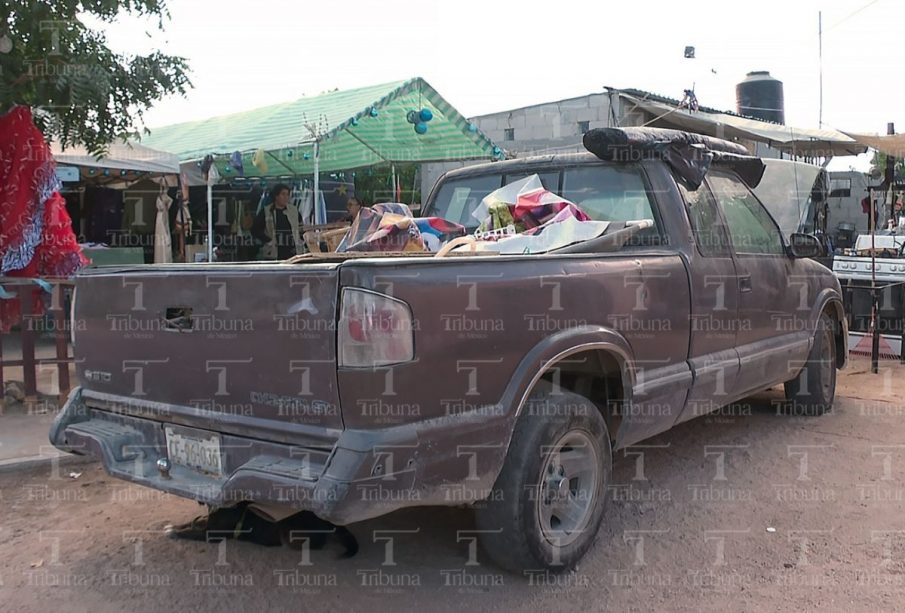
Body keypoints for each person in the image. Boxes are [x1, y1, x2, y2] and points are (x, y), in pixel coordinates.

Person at [251, 184, 304, 259]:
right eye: (283, 194)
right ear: (276, 196)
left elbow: (301, 227)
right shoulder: (266, 211)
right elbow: (255, 230)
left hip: (293, 252)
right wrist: (268, 240)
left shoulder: (294, 210)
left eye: (287, 194)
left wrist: (301, 240)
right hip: (273, 252)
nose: (286, 197)